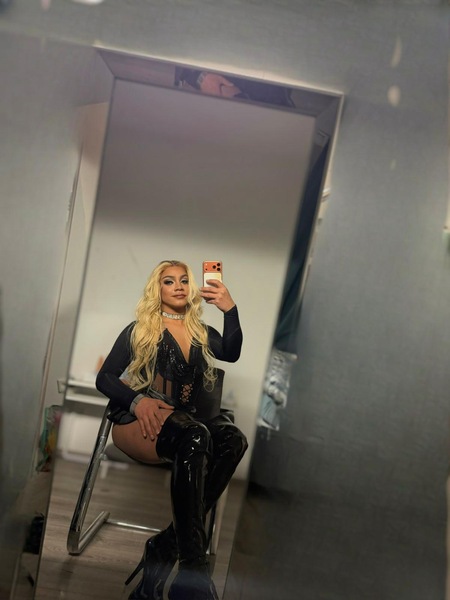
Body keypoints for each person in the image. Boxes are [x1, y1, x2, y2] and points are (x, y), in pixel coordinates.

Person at [96, 260, 248, 600]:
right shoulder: (140, 329)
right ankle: (193, 573)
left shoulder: (200, 332)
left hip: (186, 422)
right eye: (169, 281)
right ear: (158, 289)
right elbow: (104, 378)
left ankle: (165, 547)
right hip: (141, 421)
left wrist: (230, 309)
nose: (178, 286)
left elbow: (232, 353)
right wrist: (137, 402)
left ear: (191, 288)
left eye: (183, 280)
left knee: (233, 439)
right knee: (196, 435)